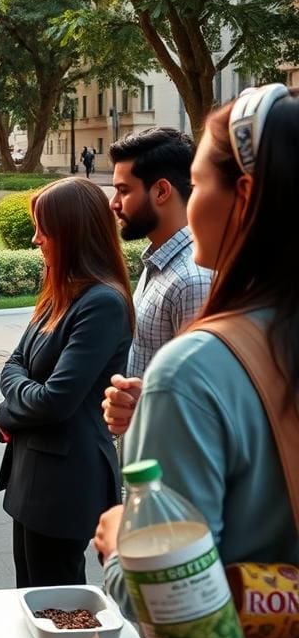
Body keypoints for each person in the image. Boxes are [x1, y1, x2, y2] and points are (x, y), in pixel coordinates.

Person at [93, 84, 299, 638]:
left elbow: (168, 608)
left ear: (244, 197)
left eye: (199, 180)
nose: (190, 199)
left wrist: (116, 544)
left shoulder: (197, 367)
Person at [0, 178, 134, 588]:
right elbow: (12, 363)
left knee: (54, 603)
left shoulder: (102, 302)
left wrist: (8, 409)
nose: (36, 239)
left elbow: (57, 399)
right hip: (35, 472)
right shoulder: (61, 290)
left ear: (73, 232)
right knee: (31, 593)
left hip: (66, 481)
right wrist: (22, 392)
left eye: (44, 229)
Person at [102, 128, 211, 436]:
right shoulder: (160, 263)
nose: (114, 203)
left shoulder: (192, 279)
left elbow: (201, 403)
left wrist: (142, 408)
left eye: (123, 190)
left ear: (162, 191)